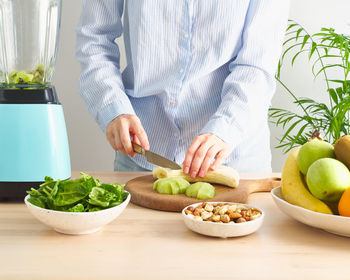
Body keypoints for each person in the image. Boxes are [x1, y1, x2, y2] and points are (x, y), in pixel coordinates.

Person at [76, 0, 290, 177]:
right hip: (141, 156)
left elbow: (257, 65)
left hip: (233, 159)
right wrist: (113, 108)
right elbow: (95, 39)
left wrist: (226, 127)